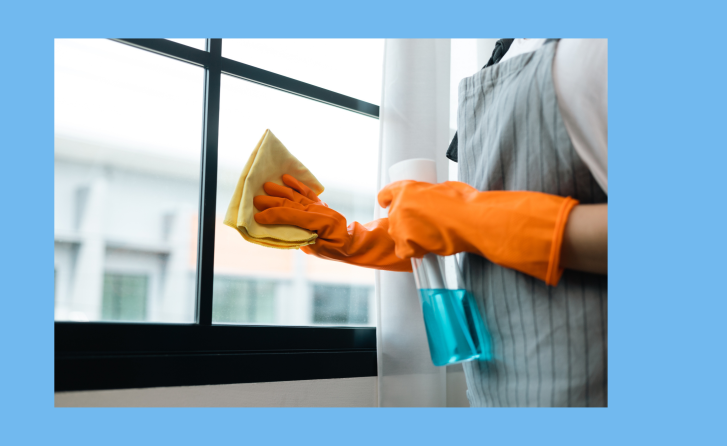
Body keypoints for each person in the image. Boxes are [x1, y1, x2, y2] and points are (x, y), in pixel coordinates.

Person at [253, 38, 607, 407]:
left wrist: (470, 218)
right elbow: (479, 230)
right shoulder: (508, 52)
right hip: (496, 395)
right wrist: (353, 238)